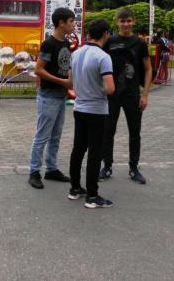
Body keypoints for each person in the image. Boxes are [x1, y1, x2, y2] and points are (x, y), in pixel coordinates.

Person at [99, 8, 152, 183]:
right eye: (123, 21)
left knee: (135, 132)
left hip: (132, 94)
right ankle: (107, 166)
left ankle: (133, 167)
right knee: (108, 131)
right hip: (112, 94)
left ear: (134, 21)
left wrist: (144, 94)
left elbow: (148, 68)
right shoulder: (109, 41)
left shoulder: (140, 43)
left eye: (129, 21)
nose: (126, 24)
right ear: (117, 22)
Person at [68, 19, 115, 208]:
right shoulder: (103, 57)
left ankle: (75, 188)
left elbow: (70, 82)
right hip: (97, 110)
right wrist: (99, 89)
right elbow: (110, 88)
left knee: (78, 149)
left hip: (79, 108)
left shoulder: (76, 53)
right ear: (105, 34)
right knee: (95, 153)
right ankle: (92, 195)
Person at [28, 7, 75, 189]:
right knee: (43, 135)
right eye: (71, 21)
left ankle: (52, 168)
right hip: (48, 95)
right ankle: (34, 171)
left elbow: (64, 66)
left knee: (56, 135)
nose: (73, 25)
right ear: (61, 23)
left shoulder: (64, 43)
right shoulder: (49, 44)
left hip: (60, 95)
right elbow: (38, 69)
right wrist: (62, 82)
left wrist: (69, 81)